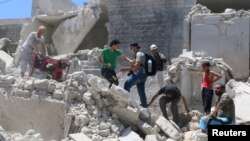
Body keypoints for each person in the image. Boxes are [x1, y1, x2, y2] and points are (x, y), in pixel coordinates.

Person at [120, 43, 148, 108]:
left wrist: (126, 69)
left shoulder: (139, 54)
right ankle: (144, 106)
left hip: (139, 74)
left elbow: (137, 65)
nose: (131, 50)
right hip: (143, 76)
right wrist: (126, 58)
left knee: (127, 85)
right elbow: (133, 62)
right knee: (141, 91)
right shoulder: (138, 55)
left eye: (131, 48)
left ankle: (125, 103)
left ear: (135, 47)